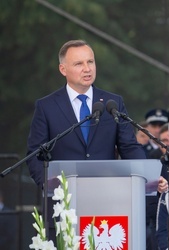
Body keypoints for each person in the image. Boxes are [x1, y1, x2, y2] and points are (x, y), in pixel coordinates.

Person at [26, 39, 146, 243]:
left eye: (90, 62)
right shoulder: (46, 106)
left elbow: (129, 147)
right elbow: (35, 155)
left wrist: (147, 177)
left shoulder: (111, 103)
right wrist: (51, 187)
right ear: (63, 69)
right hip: (63, 204)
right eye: (79, 64)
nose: (87, 69)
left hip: (108, 204)